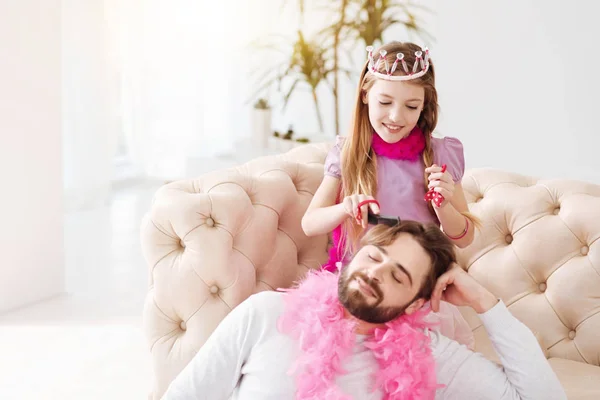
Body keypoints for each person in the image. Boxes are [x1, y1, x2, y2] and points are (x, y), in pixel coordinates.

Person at [162, 221, 566, 400]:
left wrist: (485, 303)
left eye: (398, 276)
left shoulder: (429, 355)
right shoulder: (265, 313)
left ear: (416, 303)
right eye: (374, 255)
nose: (375, 273)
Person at [302, 41, 478, 347]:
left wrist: (444, 206)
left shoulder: (439, 154)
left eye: (411, 106)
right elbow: (310, 224)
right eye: (385, 102)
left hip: (413, 292)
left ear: (425, 107)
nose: (396, 116)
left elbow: (464, 237)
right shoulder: (349, 153)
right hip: (359, 285)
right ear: (365, 95)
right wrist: (345, 207)